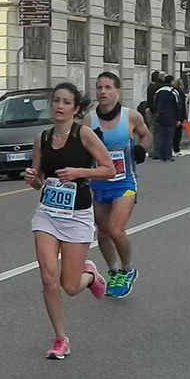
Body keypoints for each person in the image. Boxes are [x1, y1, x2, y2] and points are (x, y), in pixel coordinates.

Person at [24, 82, 115, 359]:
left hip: (77, 214)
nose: (59, 106)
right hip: (48, 214)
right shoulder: (42, 137)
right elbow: (39, 180)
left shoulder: (84, 134)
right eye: (56, 101)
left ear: (75, 109)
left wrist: (78, 171)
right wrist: (33, 179)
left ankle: (90, 276)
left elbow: (109, 169)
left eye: (65, 102)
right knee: (49, 278)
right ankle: (60, 338)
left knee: (70, 286)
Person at [81, 72, 152, 298]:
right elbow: (81, 148)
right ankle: (113, 272)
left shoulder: (131, 116)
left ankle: (128, 269)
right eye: (99, 87)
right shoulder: (89, 120)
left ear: (117, 91)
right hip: (100, 183)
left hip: (125, 183)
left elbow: (145, 135)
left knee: (115, 229)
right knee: (102, 233)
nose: (103, 91)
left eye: (108, 87)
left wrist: (141, 148)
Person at [152, 75, 180, 161]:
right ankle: (168, 155)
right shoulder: (174, 92)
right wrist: (178, 118)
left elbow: (154, 103)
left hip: (160, 116)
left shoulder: (158, 91)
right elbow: (178, 106)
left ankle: (161, 154)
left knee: (161, 136)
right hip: (171, 116)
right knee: (169, 137)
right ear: (171, 81)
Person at [172, 77, 187, 157]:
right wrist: (184, 117)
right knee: (178, 134)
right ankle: (176, 149)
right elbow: (182, 106)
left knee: (172, 133)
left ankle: (171, 149)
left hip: (172, 116)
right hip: (179, 116)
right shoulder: (181, 93)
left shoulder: (172, 92)